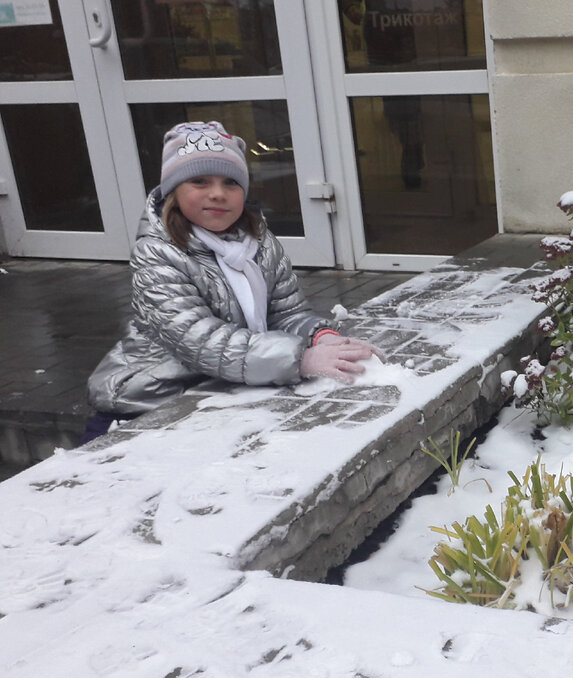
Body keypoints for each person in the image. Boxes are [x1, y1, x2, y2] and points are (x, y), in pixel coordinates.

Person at [82, 121, 381, 444]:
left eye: (231, 183)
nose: (218, 194)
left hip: (226, 384)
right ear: (173, 190)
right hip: (147, 400)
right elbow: (201, 341)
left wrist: (321, 336)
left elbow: (287, 312)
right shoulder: (157, 253)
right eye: (199, 181)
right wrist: (301, 359)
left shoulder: (258, 242)